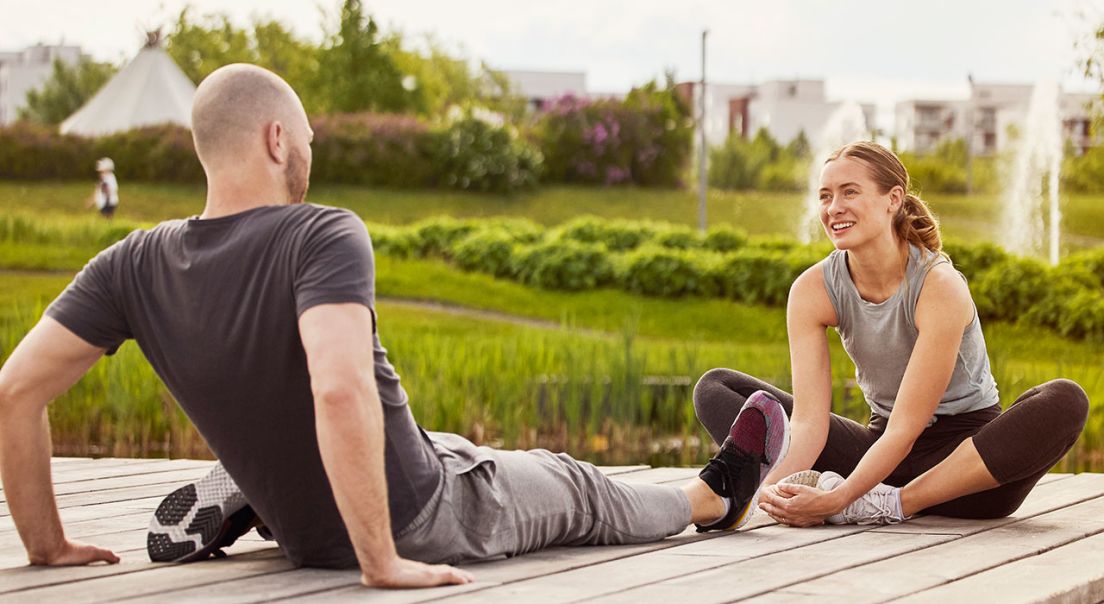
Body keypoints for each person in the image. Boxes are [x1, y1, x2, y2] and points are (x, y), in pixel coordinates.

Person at [0, 63, 790, 589]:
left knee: (446, 444)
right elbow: (340, 389)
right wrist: (383, 561)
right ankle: (713, 496)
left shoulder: (129, 263)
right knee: (572, 482)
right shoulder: (320, 231)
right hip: (421, 517)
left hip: (304, 529)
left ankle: (256, 487)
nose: (309, 150)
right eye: (306, 138)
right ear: (277, 140)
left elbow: (14, 394)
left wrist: (46, 546)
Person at [693, 141, 1089, 527]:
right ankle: (850, 495)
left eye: (850, 192)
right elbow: (811, 424)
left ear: (893, 199)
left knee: (1064, 399)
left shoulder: (938, 285)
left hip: (967, 474)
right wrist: (776, 489)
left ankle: (892, 502)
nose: (834, 208)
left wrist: (839, 497)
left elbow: (906, 428)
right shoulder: (812, 290)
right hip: (881, 454)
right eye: (825, 196)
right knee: (717, 387)